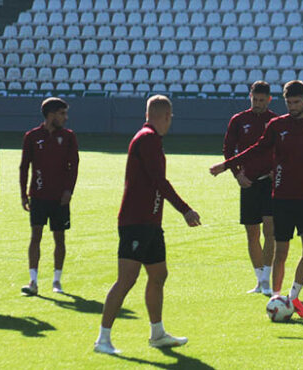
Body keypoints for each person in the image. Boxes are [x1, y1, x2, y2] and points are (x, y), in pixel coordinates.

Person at [210, 80, 303, 319]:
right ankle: (278, 297)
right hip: (283, 197)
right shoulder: (277, 125)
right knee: (281, 252)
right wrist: (228, 166)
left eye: (296, 102)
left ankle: (294, 296)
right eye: (289, 103)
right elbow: (257, 148)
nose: (292, 107)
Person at [94, 95, 201, 354]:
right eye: (170, 117)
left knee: (158, 274)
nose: (170, 122)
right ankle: (103, 340)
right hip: (136, 221)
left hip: (150, 221)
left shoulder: (150, 138)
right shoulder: (148, 138)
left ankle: (157, 334)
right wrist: (185, 210)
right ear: (165, 116)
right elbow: (159, 182)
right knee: (126, 279)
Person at [222, 81, 278, 296]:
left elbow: (283, 149)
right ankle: (259, 279)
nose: (258, 104)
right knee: (252, 233)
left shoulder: (275, 121)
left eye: (262, 100)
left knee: (270, 230)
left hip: (270, 182)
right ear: (250, 97)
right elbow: (228, 149)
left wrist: (277, 169)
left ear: (269, 100)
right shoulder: (239, 120)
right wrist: (237, 175)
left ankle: (267, 279)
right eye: (255, 99)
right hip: (248, 182)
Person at [19, 98, 79, 295]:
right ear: (51, 114)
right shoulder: (32, 136)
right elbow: (24, 166)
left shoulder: (69, 137)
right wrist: (23, 194)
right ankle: (33, 281)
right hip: (38, 194)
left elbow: (74, 166)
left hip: (60, 198)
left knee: (59, 238)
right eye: (62, 113)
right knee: (35, 236)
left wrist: (69, 191)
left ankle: (56, 280)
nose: (65, 118)